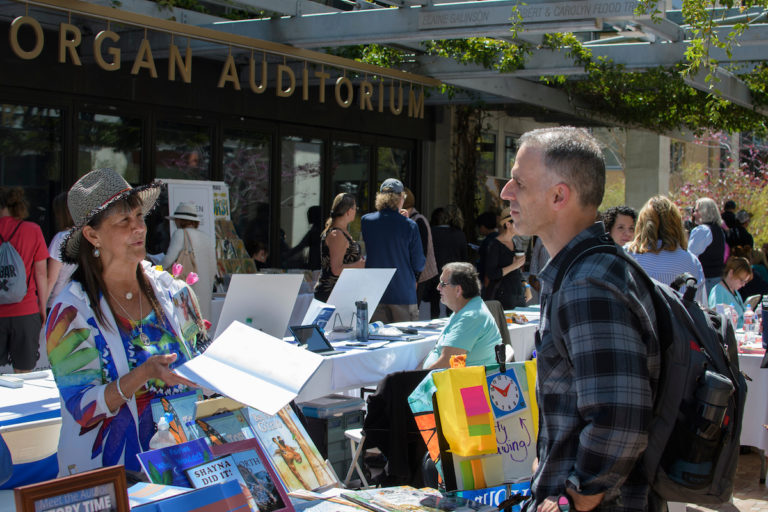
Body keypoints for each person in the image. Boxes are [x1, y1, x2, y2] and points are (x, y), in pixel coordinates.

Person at [500, 127, 661, 512]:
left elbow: (619, 419)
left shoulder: (588, 282)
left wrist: (575, 498)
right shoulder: (582, 271)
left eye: (519, 182)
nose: (506, 192)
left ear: (559, 195)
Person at [46, 168, 200, 477]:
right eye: (124, 221)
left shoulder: (174, 292)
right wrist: (141, 374)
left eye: (140, 217)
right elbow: (82, 406)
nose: (139, 228)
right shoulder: (70, 312)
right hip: (109, 477)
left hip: (181, 466)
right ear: (92, 235)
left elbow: (202, 364)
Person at [361, 178, 425, 323]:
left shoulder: (366, 221)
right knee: (406, 341)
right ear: (401, 198)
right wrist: (405, 221)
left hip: (375, 293)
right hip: (403, 292)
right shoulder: (409, 226)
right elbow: (419, 263)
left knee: (378, 342)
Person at [624, 195, 707, 304]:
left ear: (642, 224)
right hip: (678, 320)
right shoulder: (692, 262)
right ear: (677, 224)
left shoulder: (626, 254)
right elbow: (701, 307)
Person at [0, 187, 48, 373]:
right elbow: (41, 274)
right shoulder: (32, 230)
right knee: (24, 374)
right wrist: (41, 307)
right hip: (26, 310)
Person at [421, 262, 501, 369]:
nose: (438, 287)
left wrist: (417, 382)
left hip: (463, 383)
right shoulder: (467, 310)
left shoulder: (470, 317)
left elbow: (448, 363)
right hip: (455, 379)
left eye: (443, 284)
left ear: (458, 290)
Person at [161, 202, 217, 320]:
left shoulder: (180, 234)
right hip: (205, 292)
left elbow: (168, 260)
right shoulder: (207, 238)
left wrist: (155, 268)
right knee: (202, 327)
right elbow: (213, 269)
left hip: (187, 289)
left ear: (180, 220)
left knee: (187, 325)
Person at [314, 193, 365, 302]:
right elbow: (336, 269)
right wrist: (359, 265)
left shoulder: (340, 232)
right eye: (355, 208)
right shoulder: (337, 234)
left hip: (340, 292)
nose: (356, 211)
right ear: (348, 211)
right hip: (333, 294)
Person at [482, 208, 527, 309]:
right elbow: (492, 273)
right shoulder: (495, 245)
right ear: (508, 224)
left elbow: (517, 271)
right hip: (502, 295)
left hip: (517, 293)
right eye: (517, 222)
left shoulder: (515, 242)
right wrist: (515, 265)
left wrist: (526, 286)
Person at [430, 205, 468, 317]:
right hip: (453, 274)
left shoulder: (433, 232)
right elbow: (464, 258)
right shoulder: (460, 234)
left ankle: (434, 322)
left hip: (435, 272)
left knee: (434, 306)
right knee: (451, 307)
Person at [403, 187, 438, 305]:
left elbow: (421, 251)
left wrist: (415, 278)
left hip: (420, 274)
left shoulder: (418, 221)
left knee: (412, 308)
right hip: (414, 273)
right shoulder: (410, 219)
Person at [688, 197, 727, 293]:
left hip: (705, 281)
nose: (693, 214)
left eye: (696, 210)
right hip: (717, 278)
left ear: (704, 212)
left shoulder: (702, 230)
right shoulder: (719, 230)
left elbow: (690, 257)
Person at [47, 192, 77, 308]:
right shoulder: (90, 237)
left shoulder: (61, 238)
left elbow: (51, 279)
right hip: (82, 301)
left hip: (59, 301)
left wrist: (41, 305)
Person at [708, 256, 753, 328]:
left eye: (745, 281)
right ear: (731, 273)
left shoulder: (735, 292)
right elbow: (716, 318)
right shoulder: (718, 291)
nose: (743, 285)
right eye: (741, 280)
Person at [475, 211, 499, 284]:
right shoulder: (500, 237)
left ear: (483, 226)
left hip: (487, 279)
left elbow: (486, 263)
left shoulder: (487, 241)